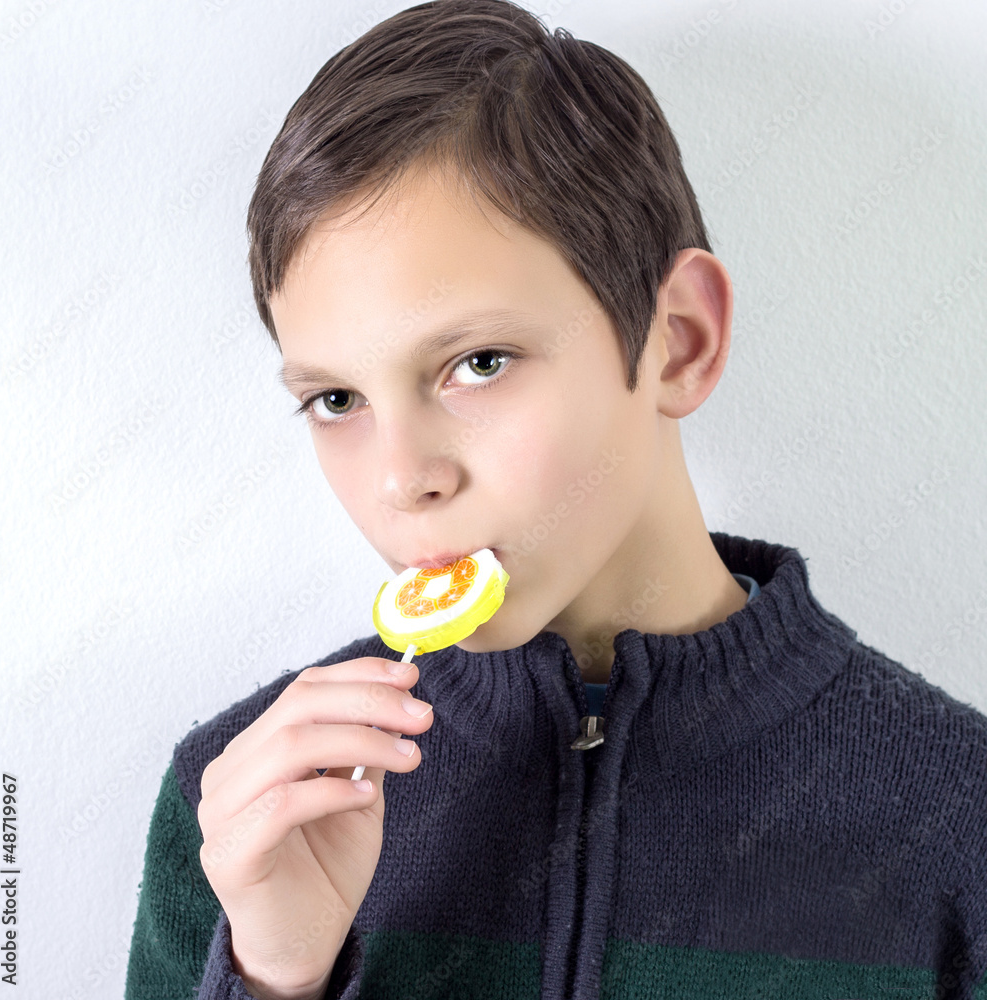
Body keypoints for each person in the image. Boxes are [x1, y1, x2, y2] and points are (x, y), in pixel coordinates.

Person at [124, 1, 987, 997]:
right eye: (335, 399)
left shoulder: (956, 822)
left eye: (476, 363)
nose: (402, 479)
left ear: (677, 341)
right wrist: (272, 977)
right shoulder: (237, 810)